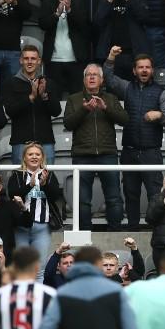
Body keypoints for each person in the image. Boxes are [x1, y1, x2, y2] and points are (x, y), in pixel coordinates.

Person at [104, 49, 165, 231]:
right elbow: (108, 79)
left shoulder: (161, 92)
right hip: (129, 150)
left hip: (151, 152)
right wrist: (111, 58)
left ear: (152, 70)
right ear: (134, 70)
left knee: (154, 194)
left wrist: (159, 115)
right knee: (130, 193)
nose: (144, 70)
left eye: (147, 67)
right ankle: (133, 228)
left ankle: (156, 228)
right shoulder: (127, 88)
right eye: (140, 67)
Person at [64, 64, 127, 230]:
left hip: (107, 153)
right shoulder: (74, 99)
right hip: (82, 154)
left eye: (95, 75)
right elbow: (68, 123)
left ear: (101, 79)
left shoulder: (111, 98)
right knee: (83, 199)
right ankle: (84, 232)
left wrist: (105, 108)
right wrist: (84, 110)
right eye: (88, 75)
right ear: (84, 80)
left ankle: (115, 231)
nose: (91, 77)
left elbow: (124, 120)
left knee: (113, 197)